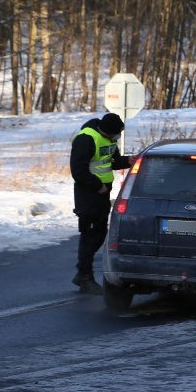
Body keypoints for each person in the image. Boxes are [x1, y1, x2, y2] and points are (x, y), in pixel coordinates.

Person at [70, 112, 131, 294]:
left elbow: (110, 161)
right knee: (90, 235)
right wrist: (97, 186)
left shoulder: (109, 139)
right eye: (116, 133)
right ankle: (84, 276)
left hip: (103, 193)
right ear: (107, 131)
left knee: (99, 233)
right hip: (88, 194)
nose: (118, 137)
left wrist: (128, 161)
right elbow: (78, 171)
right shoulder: (86, 139)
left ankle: (83, 273)